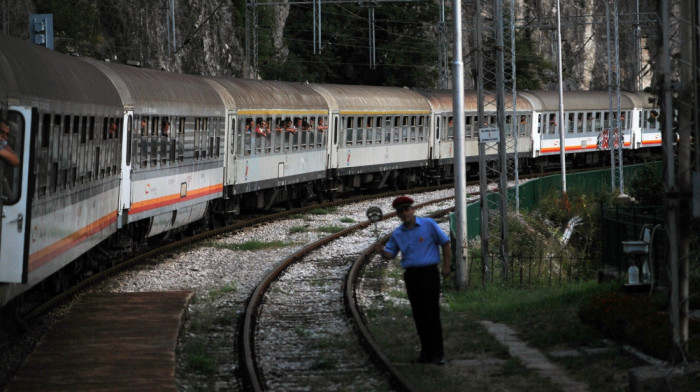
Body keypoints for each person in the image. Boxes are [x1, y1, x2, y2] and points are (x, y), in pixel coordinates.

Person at [379, 196, 451, 366]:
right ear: (397, 214)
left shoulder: (429, 225)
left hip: (429, 274)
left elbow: (445, 243)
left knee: (432, 314)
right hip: (411, 276)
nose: (404, 213)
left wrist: (446, 266)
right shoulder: (398, 233)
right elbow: (391, 254)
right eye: (400, 211)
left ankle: (438, 354)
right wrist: (382, 252)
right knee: (419, 315)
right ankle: (426, 353)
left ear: (413, 209)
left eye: (406, 209)